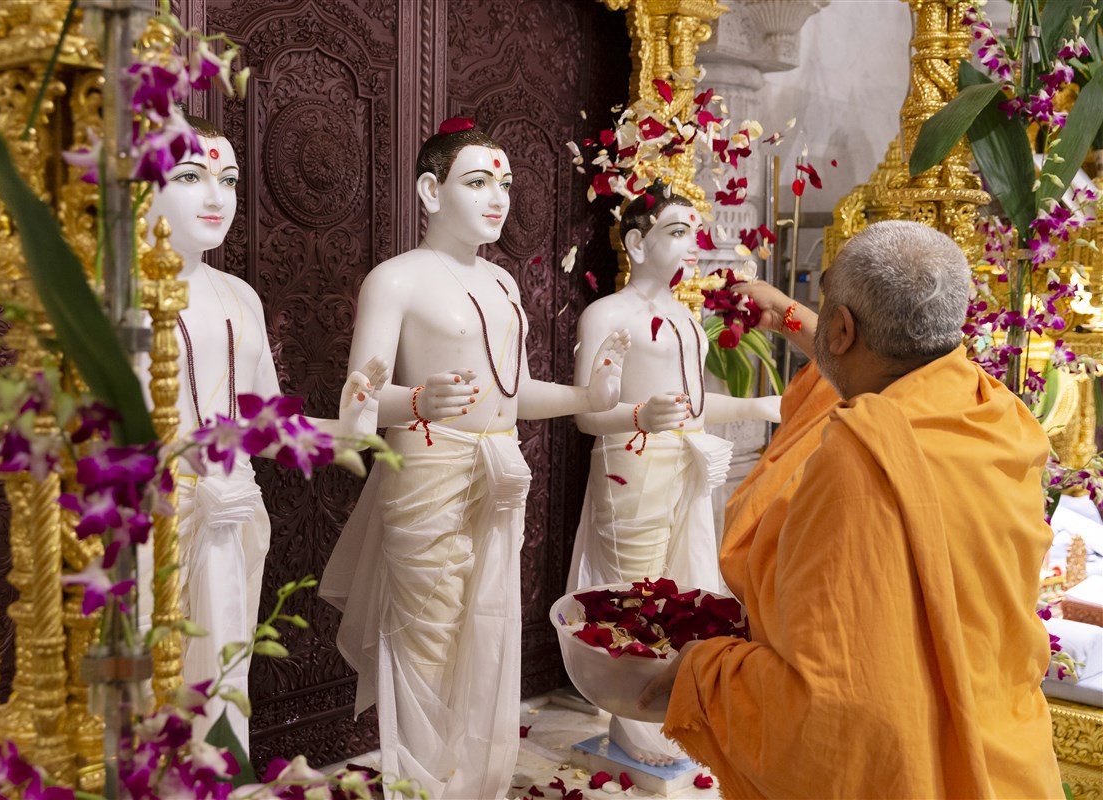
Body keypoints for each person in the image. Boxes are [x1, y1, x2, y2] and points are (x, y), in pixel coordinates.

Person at [637, 220, 1063, 798]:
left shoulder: (859, 461)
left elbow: (832, 706)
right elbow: (876, 367)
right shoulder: (998, 414)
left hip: (907, 769)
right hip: (1005, 753)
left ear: (842, 328)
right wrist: (789, 313)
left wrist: (703, 671)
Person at [319, 119, 630, 800]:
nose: (497, 198)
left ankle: (472, 783)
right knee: (425, 645)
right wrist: (418, 401)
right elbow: (358, 403)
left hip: (498, 475)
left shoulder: (504, 286)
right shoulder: (395, 280)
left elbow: (510, 393)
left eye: (505, 184)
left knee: (485, 637)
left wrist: (590, 392)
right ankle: (425, 787)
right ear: (431, 190)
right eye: (477, 181)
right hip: (429, 475)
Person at [138, 116, 386, 750]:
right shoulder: (108, 294)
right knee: (143, 692)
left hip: (231, 516)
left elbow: (264, 423)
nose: (217, 196)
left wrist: (348, 429)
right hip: (146, 521)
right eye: (192, 176)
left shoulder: (238, 295)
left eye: (229, 179)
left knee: (223, 682)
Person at [569, 184, 780, 766]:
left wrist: (757, 408)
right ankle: (628, 719)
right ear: (637, 242)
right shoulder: (606, 315)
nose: (691, 246)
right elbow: (588, 414)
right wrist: (640, 415)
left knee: (677, 590)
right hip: (630, 464)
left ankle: (661, 706)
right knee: (630, 589)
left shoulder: (686, 320)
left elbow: (691, 404)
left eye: (693, 232)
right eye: (676, 232)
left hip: (685, 465)